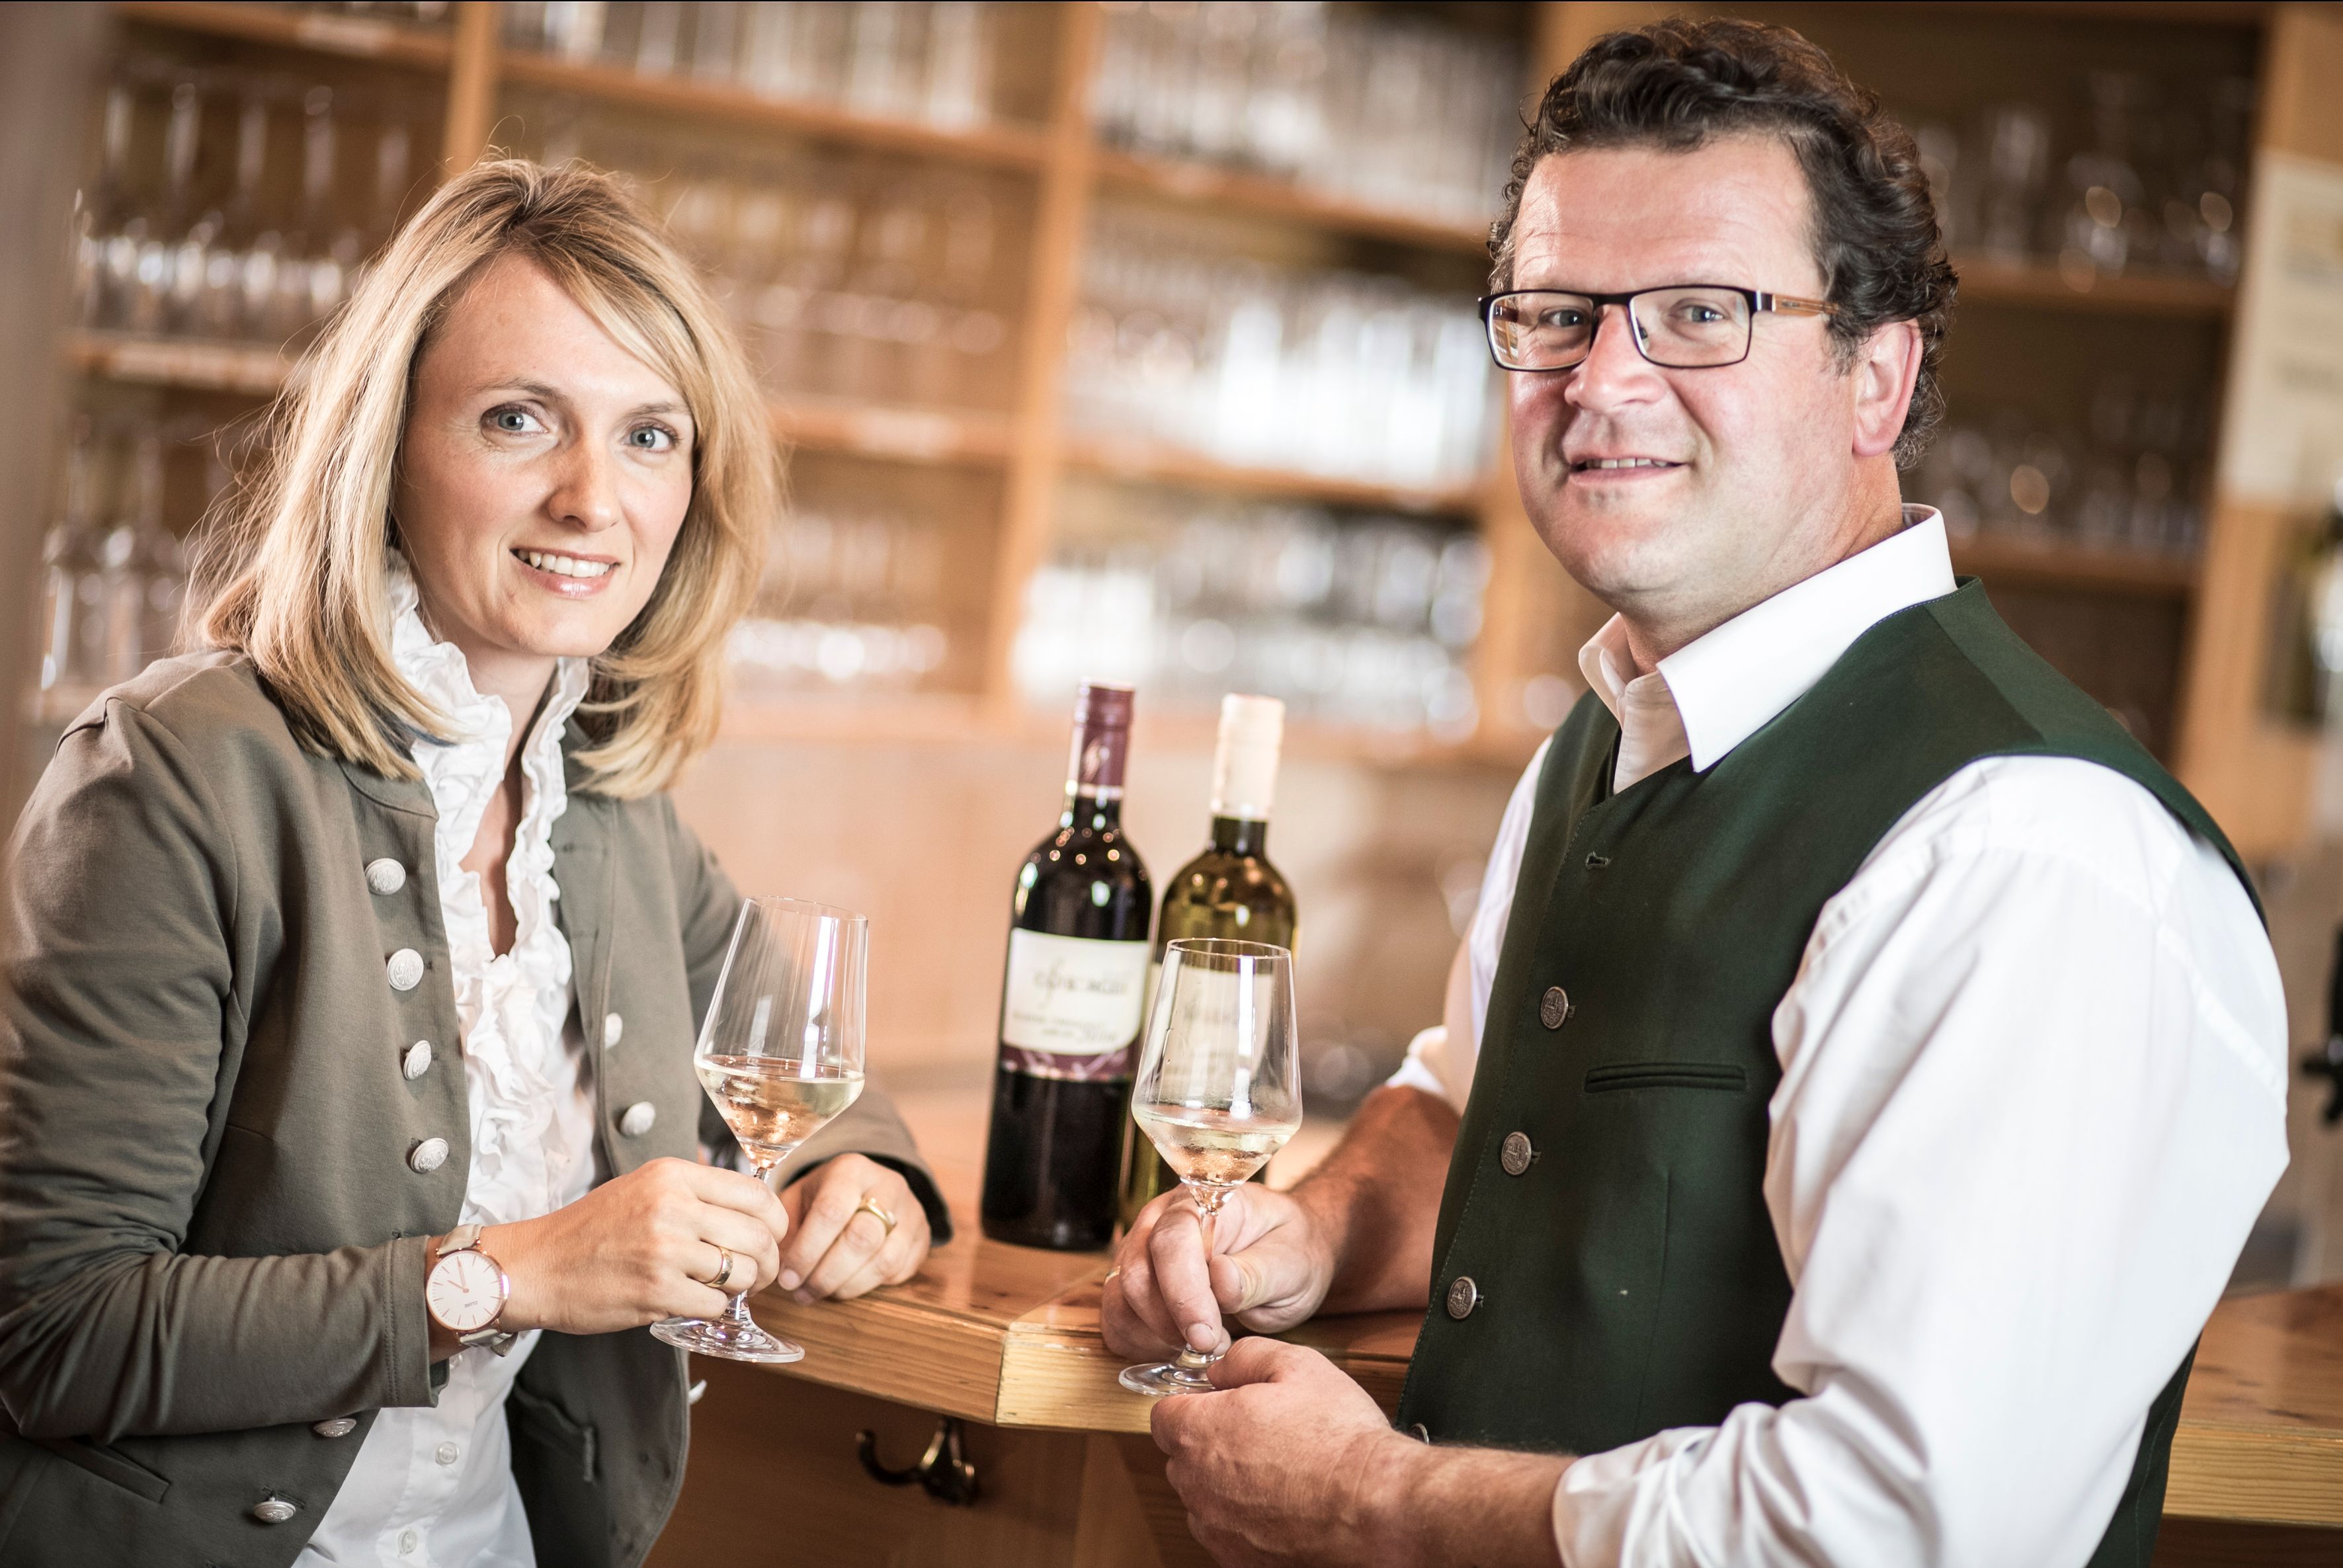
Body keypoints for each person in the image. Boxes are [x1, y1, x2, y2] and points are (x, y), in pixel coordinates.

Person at [1102, 20, 2287, 1568]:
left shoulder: (2026, 851)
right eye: (1554, 314)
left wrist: (1368, 1500)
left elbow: (1899, 1528)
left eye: (1698, 315)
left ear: (1874, 378)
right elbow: (1482, 1116)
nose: (1603, 378)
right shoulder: (1606, 738)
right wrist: (1316, 1231)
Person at [0, 159, 945, 1568]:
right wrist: (511, 1275)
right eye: (519, 419)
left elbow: (814, 1076)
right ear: (385, 446)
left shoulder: (607, 808)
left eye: (648, 436)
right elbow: (53, 1331)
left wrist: (869, 1183)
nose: (592, 498)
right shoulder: (174, 774)